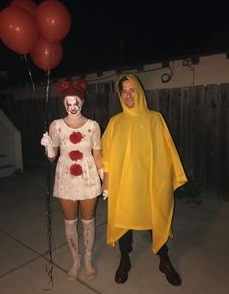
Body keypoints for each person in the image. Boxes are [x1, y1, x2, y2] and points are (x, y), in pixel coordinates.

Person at [101, 75, 188, 286]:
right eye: (124, 91)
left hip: (150, 183)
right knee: (123, 219)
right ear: (119, 95)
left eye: (132, 90)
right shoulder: (115, 123)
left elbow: (167, 151)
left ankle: (163, 258)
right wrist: (106, 183)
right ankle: (125, 258)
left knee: (155, 216)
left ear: (139, 91)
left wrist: (169, 178)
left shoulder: (154, 119)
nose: (128, 95)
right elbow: (106, 157)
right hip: (125, 185)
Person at [41, 79, 103, 281]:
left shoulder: (93, 126)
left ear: (82, 102)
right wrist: (49, 148)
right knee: (70, 222)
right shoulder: (56, 126)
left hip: (88, 177)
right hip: (66, 177)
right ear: (63, 103)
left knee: (88, 221)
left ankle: (88, 258)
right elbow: (52, 157)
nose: (73, 106)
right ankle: (75, 260)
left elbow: (98, 156)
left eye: (76, 102)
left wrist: (105, 181)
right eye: (68, 103)